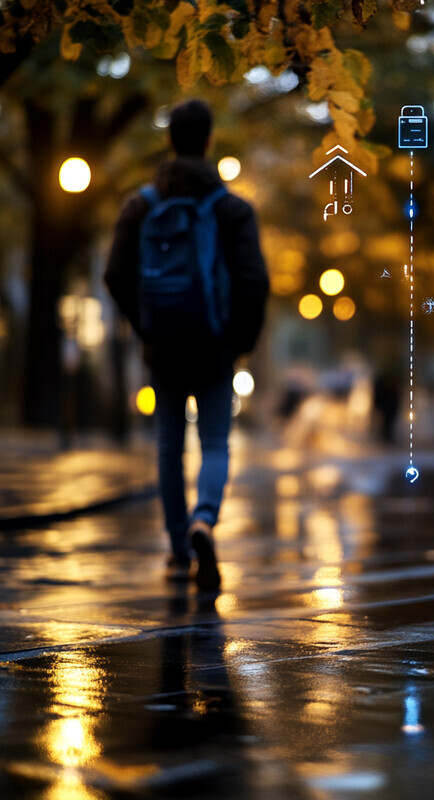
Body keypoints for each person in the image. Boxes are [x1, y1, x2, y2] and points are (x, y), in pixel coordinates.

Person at [105, 99, 269, 590]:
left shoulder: (140, 206)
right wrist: (241, 339)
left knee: (169, 447)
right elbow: (254, 281)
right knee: (216, 441)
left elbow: (114, 274)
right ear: (209, 141)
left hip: (163, 345)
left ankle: (178, 551)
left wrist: (145, 324)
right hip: (216, 344)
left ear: (170, 142)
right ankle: (204, 518)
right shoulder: (232, 209)